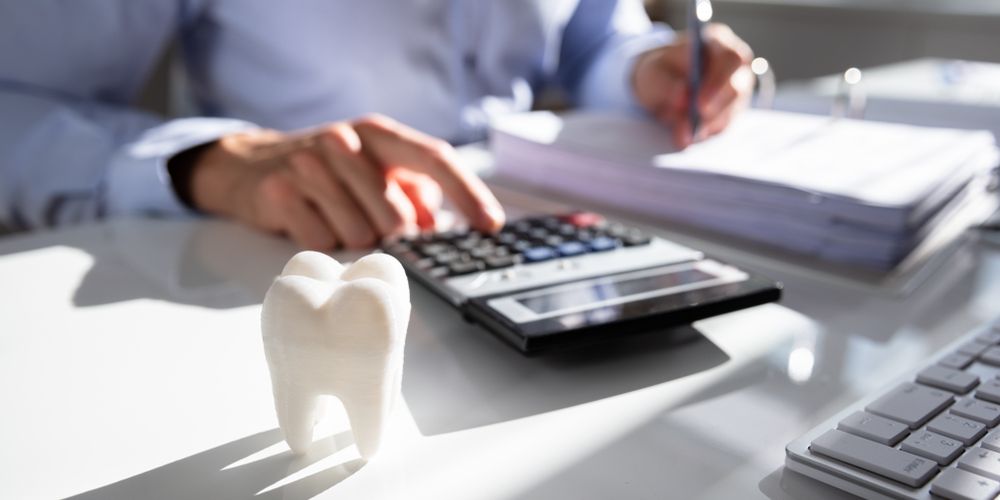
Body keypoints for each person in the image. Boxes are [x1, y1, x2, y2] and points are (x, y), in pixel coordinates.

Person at [0, 1, 754, 249]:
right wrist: (210, 161)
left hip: (541, 235)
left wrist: (643, 70)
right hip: (291, 249)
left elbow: (586, 36)